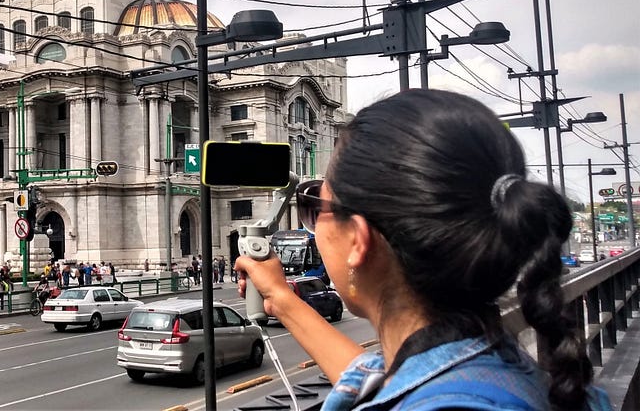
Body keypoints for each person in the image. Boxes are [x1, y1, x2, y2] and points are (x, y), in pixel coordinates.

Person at [235, 90, 610, 410]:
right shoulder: (486, 369)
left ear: (357, 239)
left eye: (317, 209)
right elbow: (380, 380)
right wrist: (281, 300)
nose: (314, 226)